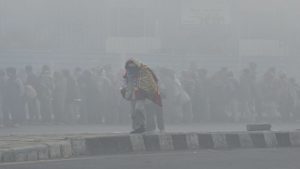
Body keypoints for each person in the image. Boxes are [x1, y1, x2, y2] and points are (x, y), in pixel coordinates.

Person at [121, 59, 163, 133]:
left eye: (133, 67)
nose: (131, 69)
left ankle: (142, 126)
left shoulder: (144, 74)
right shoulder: (128, 74)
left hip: (143, 95)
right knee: (133, 112)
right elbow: (127, 84)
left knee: (139, 109)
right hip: (133, 95)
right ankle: (137, 127)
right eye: (129, 67)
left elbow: (150, 84)